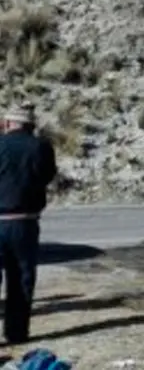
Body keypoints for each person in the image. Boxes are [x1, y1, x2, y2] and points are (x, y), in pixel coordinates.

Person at [0, 103, 57, 344]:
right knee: (21, 278)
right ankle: (17, 333)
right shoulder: (41, 147)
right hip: (25, 221)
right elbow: (47, 176)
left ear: (10, 123)